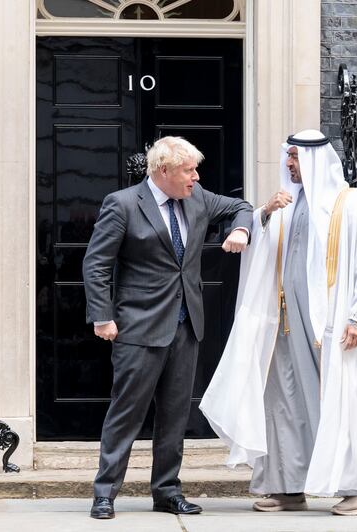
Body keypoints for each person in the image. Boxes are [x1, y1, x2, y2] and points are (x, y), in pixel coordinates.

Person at [200, 129, 357, 516]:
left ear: (315, 160)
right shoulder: (287, 203)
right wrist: (264, 213)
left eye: (295, 159)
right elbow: (262, 250)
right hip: (284, 322)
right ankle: (287, 486)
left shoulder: (346, 203)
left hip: (331, 324)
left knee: (340, 399)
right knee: (283, 401)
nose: (288, 165)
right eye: (288, 158)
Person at [83, 136, 253, 519]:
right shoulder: (123, 204)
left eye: (195, 170)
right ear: (163, 171)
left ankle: (166, 491)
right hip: (137, 328)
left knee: (176, 415)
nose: (195, 177)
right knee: (126, 413)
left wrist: (240, 230)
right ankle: (105, 492)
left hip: (186, 326)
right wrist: (102, 316)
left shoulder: (198, 198)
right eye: (188, 170)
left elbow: (241, 206)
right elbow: (96, 264)